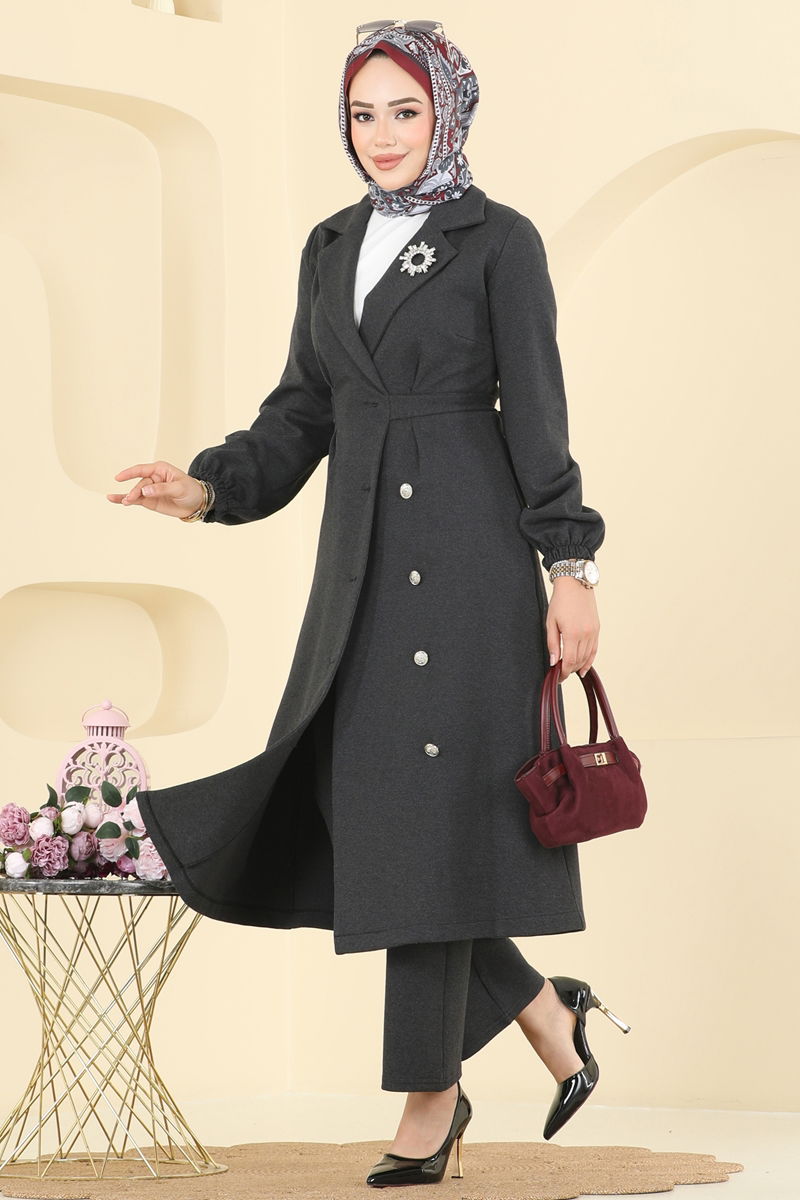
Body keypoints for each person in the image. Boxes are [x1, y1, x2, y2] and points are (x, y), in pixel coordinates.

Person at [109, 20, 630, 1190]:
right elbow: (301, 411)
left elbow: (537, 412)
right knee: (372, 809)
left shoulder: (497, 241)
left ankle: (427, 1099)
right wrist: (206, 487)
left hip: (469, 563)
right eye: (362, 113)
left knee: (433, 818)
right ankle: (542, 1010)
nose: (382, 134)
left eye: (404, 110)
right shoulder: (331, 244)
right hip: (360, 568)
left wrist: (570, 567)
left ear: (446, 113)